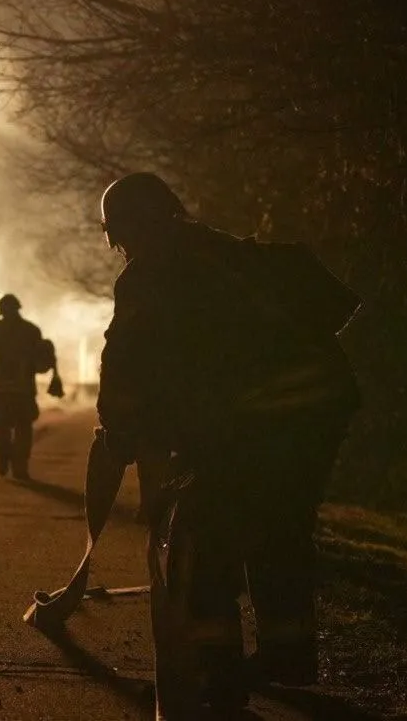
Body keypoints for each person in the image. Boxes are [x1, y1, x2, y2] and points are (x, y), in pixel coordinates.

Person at [94, 172, 361, 717]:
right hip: (316, 410)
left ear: (124, 230)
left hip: (249, 421)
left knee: (203, 537)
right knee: (281, 523)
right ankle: (288, 655)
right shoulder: (232, 255)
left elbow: (124, 365)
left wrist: (119, 433)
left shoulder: (149, 278)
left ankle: (217, 673)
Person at [0, 294, 62, 479]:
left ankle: (6, 458)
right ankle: (19, 467)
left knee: (3, 428)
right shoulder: (31, 330)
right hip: (23, 391)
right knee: (22, 430)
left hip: (3, 391)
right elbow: (41, 358)